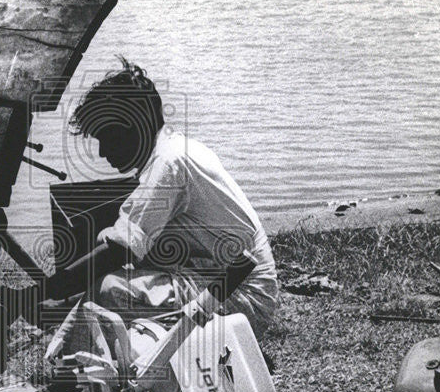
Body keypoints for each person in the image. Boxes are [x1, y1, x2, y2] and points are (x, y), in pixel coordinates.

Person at [24, 58, 278, 341]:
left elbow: (120, 250)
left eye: (108, 138)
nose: (102, 153)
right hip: (228, 281)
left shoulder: (169, 163)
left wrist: (49, 290)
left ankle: (79, 368)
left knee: (109, 290)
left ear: (135, 126)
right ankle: (75, 334)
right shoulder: (173, 151)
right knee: (105, 275)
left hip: (241, 295)